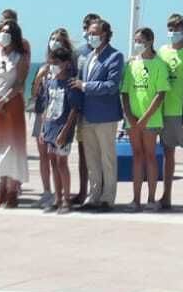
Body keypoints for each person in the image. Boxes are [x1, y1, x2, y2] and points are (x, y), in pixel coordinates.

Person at [73, 18, 124, 211]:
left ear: (104, 35)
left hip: (106, 116)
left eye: (94, 33)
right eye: (89, 33)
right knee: (91, 158)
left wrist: (85, 86)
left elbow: (111, 86)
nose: (90, 36)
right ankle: (92, 196)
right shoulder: (89, 56)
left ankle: (107, 197)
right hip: (88, 116)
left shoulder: (115, 56)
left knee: (107, 159)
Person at [121, 27, 170, 212]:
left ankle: (151, 198)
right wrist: (129, 116)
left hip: (151, 120)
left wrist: (145, 118)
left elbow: (160, 94)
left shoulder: (159, 64)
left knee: (150, 156)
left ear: (150, 42)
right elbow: (125, 92)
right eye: (136, 41)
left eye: (140, 41)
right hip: (132, 120)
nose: (137, 44)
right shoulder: (131, 64)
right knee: (137, 157)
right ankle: (135, 199)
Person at [0, 18, 30, 208]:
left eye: (7, 31)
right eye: (1, 31)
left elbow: (19, 83)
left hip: (11, 105)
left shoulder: (20, 57)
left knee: (13, 147)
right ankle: (0, 186)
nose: (3, 34)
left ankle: (12, 189)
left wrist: (4, 100)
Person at [157, 14, 183, 211]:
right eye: (170, 27)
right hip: (165, 111)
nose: (173, 31)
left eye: (176, 27)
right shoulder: (161, 51)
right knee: (168, 155)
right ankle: (166, 196)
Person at [38, 43, 82, 213]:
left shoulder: (70, 84)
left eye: (56, 63)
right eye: (51, 63)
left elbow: (74, 110)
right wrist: (43, 128)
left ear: (66, 63)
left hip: (63, 129)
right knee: (52, 161)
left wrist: (65, 131)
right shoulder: (50, 82)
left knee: (61, 162)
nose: (53, 67)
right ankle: (57, 198)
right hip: (49, 126)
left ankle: (66, 200)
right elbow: (46, 105)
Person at [30, 29, 72, 208]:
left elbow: (72, 105)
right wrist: (39, 78)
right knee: (44, 155)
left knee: (58, 159)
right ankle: (48, 192)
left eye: (59, 40)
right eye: (52, 39)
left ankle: (63, 196)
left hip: (61, 120)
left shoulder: (67, 69)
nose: (54, 42)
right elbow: (35, 93)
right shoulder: (44, 67)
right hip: (44, 114)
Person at [70, 12, 100, 206]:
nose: (88, 33)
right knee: (83, 154)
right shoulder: (78, 53)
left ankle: (98, 192)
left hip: (99, 111)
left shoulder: (105, 52)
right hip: (82, 111)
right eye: (84, 28)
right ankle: (82, 191)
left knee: (98, 153)